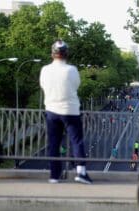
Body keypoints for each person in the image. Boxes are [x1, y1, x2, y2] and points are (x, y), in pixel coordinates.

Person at [40, 40, 93, 184]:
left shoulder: (45, 69)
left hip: (51, 109)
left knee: (54, 143)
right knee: (76, 141)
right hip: (70, 110)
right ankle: (81, 172)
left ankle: (54, 175)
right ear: (66, 54)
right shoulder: (72, 70)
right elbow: (76, 85)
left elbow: (43, 86)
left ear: (52, 54)